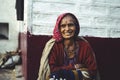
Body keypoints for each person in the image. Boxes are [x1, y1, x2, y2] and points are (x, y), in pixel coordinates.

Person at [37, 13, 97, 80]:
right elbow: (52, 69)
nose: (67, 29)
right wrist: (73, 68)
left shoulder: (84, 45)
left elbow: (92, 70)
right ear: (59, 29)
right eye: (63, 26)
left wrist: (66, 72)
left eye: (70, 25)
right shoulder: (54, 46)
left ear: (76, 27)